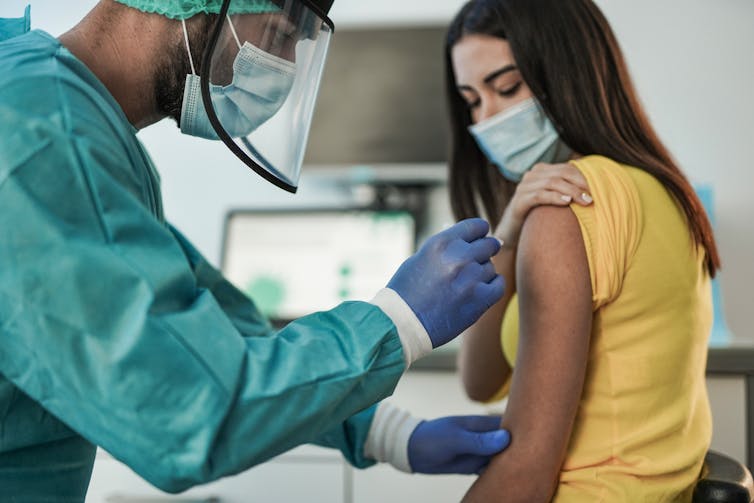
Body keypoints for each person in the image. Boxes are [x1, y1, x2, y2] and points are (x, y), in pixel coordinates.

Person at [0, 1, 512, 500]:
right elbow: (185, 407)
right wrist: (398, 320)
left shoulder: (63, 119)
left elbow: (217, 336)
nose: (284, 66)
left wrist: (387, 433)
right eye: (280, 35)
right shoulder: (41, 138)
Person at [445, 0, 721, 501]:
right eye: (472, 100)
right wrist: (505, 231)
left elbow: (526, 472)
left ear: (567, 72)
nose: (488, 119)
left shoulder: (569, 205)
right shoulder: (663, 189)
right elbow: (479, 380)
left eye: (507, 88)